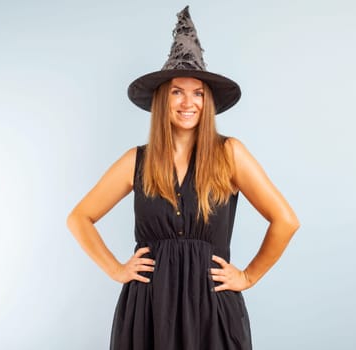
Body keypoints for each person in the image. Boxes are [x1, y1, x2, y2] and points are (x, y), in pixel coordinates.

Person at [66, 6, 300, 350]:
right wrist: (117, 270)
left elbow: (286, 220)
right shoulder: (138, 160)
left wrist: (248, 276)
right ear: (163, 99)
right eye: (177, 91)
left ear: (208, 102)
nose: (187, 102)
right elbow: (80, 218)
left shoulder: (229, 154)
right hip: (148, 307)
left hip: (211, 308)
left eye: (198, 93)